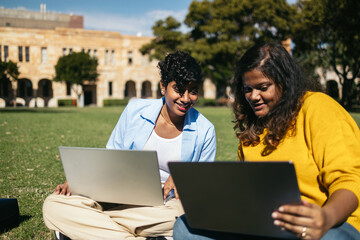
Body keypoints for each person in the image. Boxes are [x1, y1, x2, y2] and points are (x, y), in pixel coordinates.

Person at [173, 43, 360, 240]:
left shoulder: (318, 107)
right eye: (247, 89)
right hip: (265, 226)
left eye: (263, 87)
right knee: (185, 227)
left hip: (329, 224)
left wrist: (326, 217)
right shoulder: (251, 129)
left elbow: (350, 180)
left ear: (285, 82)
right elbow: (245, 192)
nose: (253, 96)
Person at [43, 51, 217, 240]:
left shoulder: (205, 130)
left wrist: (184, 178)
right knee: (53, 204)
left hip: (165, 205)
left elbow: (203, 188)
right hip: (118, 191)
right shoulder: (135, 110)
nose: (185, 98)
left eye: (192, 91)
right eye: (179, 89)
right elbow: (112, 157)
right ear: (163, 87)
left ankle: (85, 229)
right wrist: (80, 181)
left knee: (182, 217)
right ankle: (137, 234)